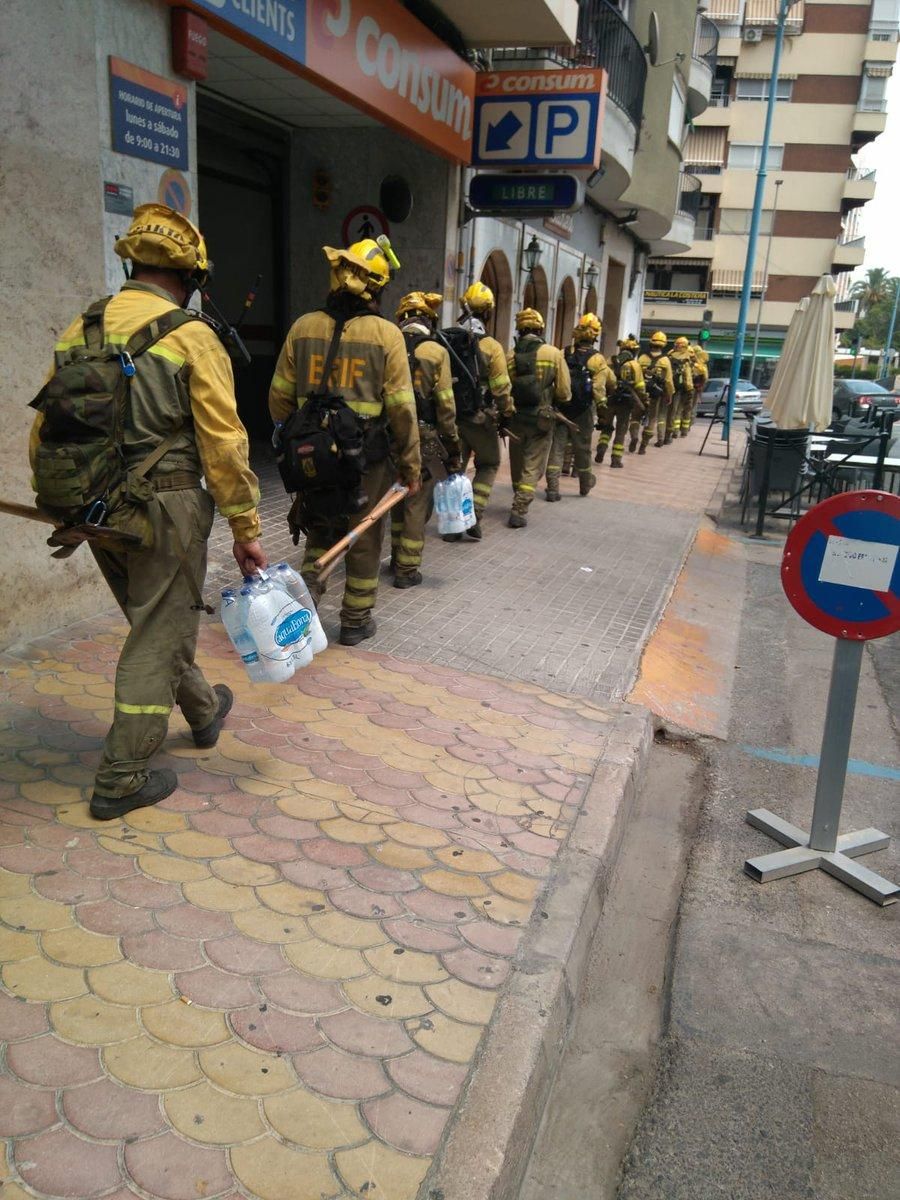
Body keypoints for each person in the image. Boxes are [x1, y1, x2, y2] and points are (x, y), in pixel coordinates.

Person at [28, 203, 266, 820]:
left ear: (131, 262)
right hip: (169, 507)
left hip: (96, 507)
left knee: (159, 617)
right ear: (192, 277)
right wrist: (246, 527)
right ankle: (121, 776)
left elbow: (44, 432)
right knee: (156, 632)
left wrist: (63, 503)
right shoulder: (192, 334)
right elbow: (224, 444)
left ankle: (204, 713)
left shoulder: (79, 330)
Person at [269, 239, 421, 644]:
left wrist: (297, 442)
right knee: (364, 536)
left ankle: (298, 617)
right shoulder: (388, 335)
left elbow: (279, 398)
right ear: (378, 288)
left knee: (319, 528)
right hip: (366, 461)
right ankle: (355, 621)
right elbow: (403, 409)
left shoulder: (302, 327)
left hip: (313, 455)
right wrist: (411, 466)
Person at [391, 290, 459, 587]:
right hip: (425, 435)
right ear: (429, 320)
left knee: (394, 496)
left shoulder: (389, 344)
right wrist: (452, 442)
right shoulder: (436, 352)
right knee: (417, 502)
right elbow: (445, 404)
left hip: (388, 434)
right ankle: (407, 569)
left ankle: (395, 556)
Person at [445, 282, 514, 539]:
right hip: (479, 418)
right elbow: (501, 389)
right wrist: (507, 412)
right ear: (488, 312)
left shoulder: (446, 340)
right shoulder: (492, 347)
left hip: (450, 418)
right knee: (489, 462)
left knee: (455, 469)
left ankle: (452, 526)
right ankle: (473, 515)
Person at [506, 309, 571, 527]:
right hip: (542, 419)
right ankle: (520, 507)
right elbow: (564, 392)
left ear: (520, 329)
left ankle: (517, 493)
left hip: (515, 417)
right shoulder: (554, 354)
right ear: (540, 329)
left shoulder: (509, 355)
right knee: (534, 464)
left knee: (517, 459)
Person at [546, 313, 606, 499]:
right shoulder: (597, 359)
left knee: (557, 447)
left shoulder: (563, 353)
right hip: (583, 411)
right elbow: (598, 388)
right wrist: (602, 408)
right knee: (583, 448)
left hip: (561, 407)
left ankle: (553, 488)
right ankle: (584, 485)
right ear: (595, 336)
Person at [602, 335, 648, 467]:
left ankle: (601, 447)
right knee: (621, 430)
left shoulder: (610, 360)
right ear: (634, 351)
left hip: (610, 399)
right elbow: (640, 386)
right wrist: (644, 400)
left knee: (607, 427)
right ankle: (616, 460)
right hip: (626, 402)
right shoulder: (634, 364)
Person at [638, 331, 674, 449]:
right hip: (657, 392)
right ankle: (659, 439)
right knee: (658, 416)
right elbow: (668, 380)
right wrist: (669, 394)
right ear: (663, 344)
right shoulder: (665, 360)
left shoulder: (642, 357)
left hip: (641, 391)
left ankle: (635, 435)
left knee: (637, 416)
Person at [667, 336, 695, 442]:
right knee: (684, 410)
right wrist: (690, 389)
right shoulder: (689, 356)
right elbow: (689, 375)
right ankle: (683, 431)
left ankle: (674, 431)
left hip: (674, 387)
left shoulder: (670, 355)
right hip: (685, 388)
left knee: (674, 410)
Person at [688, 341, 710, 434]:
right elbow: (705, 377)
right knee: (693, 408)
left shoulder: (690, 362)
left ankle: (683, 426)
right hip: (697, 389)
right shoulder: (702, 365)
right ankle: (688, 426)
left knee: (685, 407)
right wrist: (701, 386)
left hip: (688, 388)